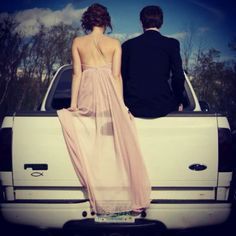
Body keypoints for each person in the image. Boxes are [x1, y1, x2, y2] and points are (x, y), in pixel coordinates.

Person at [57, 3, 151, 216]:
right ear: (106, 21)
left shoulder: (78, 42)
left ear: (87, 21)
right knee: (115, 142)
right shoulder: (114, 43)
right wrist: (121, 105)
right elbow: (116, 76)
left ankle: (97, 182)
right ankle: (122, 191)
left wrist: (73, 105)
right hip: (109, 93)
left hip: (88, 93)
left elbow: (77, 75)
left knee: (90, 135)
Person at [121, 5, 185, 118]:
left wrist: (123, 103)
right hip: (163, 106)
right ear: (161, 23)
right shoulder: (172, 44)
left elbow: (122, 78)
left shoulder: (127, 46)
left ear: (141, 22)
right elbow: (178, 76)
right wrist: (179, 100)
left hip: (133, 106)